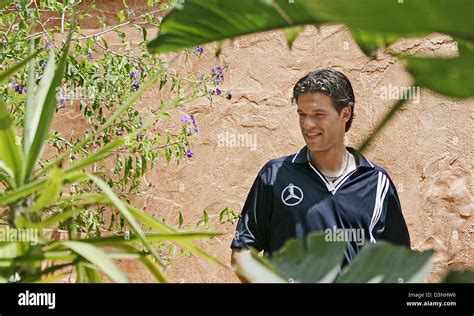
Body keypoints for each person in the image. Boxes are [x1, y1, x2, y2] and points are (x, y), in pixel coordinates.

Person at [230, 69, 411, 282]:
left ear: (345, 113)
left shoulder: (377, 182)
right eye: (302, 115)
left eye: (318, 115)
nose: (307, 125)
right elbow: (242, 254)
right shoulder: (275, 175)